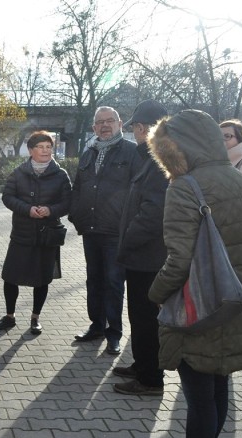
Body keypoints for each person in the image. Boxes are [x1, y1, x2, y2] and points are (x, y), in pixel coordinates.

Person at [142, 109, 242, 438]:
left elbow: (179, 260)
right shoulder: (241, 182)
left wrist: (156, 294)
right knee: (218, 383)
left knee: (197, 390)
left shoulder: (186, 187)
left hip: (198, 302)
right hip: (235, 299)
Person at [69, 106, 141, 355]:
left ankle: (114, 333)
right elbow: (78, 188)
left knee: (113, 282)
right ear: (94, 128)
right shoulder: (88, 153)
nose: (105, 125)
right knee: (94, 280)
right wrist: (76, 216)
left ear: (121, 124)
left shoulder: (133, 152)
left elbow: (139, 191)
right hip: (91, 229)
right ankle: (96, 326)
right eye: (100, 122)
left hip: (116, 232)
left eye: (110, 121)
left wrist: (129, 224)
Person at [112, 100, 169, 396]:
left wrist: (128, 239)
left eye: (138, 126)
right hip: (141, 256)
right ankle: (141, 364)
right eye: (135, 126)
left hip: (147, 257)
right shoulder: (148, 159)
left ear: (148, 128)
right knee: (139, 316)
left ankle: (150, 379)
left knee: (146, 318)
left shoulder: (158, 163)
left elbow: (153, 213)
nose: (135, 131)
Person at [0, 131, 72, 333]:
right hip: (22, 234)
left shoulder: (61, 175)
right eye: (40, 147)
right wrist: (27, 209)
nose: (45, 151)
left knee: (42, 278)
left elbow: (69, 202)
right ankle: (10, 316)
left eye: (48, 147)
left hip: (47, 235)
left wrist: (51, 210)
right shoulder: (19, 172)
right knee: (10, 276)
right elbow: (8, 197)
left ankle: (35, 318)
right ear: (30, 150)